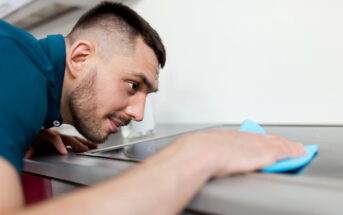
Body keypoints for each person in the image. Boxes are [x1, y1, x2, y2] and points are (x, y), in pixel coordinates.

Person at [0, 1, 306, 214]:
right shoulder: (19, 65)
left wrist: (24, 130)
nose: (138, 113)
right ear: (80, 57)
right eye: (133, 85)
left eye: (147, 94)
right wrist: (194, 157)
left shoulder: (22, 75)